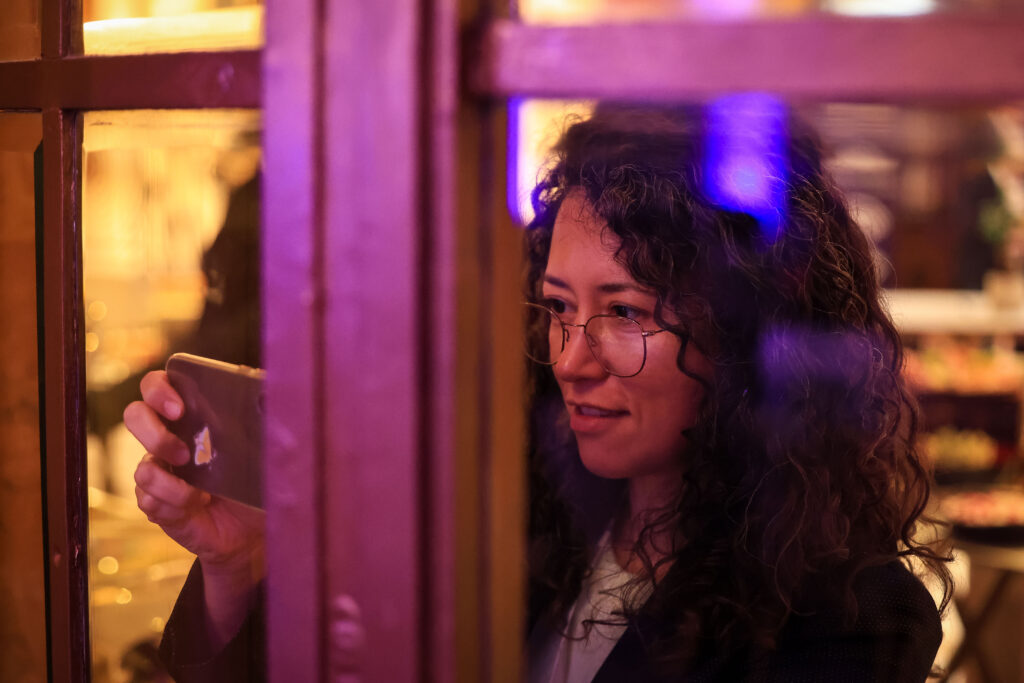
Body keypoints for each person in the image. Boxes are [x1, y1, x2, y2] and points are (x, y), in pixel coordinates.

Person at [125, 105, 952, 682]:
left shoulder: (847, 616)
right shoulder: (512, 520)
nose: (572, 359)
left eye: (624, 312)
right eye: (558, 308)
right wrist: (241, 565)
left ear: (748, 335)